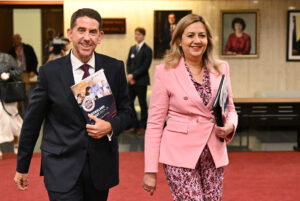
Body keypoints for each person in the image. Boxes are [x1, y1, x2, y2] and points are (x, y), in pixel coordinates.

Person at [14, 8, 132, 201]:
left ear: (100, 36)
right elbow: (32, 122)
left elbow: (127, 112)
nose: (87, 37)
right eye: (81, 30)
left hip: (100, 167)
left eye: (93, 32)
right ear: (70, 33)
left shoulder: (114, 68)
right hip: (61, 166)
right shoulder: (49, 72)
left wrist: (110, 126)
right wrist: (22, 166)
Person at [143, 14, 238, 200]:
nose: (197, 41)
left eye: (202, 35)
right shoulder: (165, 72)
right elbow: (155, 124)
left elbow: (231, 109)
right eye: (190, 35)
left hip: (213, 155)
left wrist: (230, 126)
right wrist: (150, 170)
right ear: (179, 40)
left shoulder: (221, 68)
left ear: (208, 40)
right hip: (178, 154)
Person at [126, 27, 152, 135]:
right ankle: (134, 125)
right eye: (135, 34)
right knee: (129, 103)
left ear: (143, 36)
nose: (136, 36)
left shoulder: (147, 49)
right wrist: (129, 75)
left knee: (142, 104)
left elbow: (145, 66)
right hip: (131, 82)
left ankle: (143, 126)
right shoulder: (132, 48)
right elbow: (128, 63)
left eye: (138, 34)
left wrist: (133, 76)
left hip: (141, 82)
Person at [0, 53, 23, 159]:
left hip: (8, 93)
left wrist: (8, 74)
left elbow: (18, 72)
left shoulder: (6, 57)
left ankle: (17, 144)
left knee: (13, 118)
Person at [8, 34, 38, 105]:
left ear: (20, 39)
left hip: (25, 73)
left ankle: (27, 109)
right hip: (15, 73)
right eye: (14, 39)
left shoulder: (28, 48)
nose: (16, 40)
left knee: (26, 92)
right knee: (16, 92)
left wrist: (33, 71)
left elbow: (35, 60)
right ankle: (18, 110)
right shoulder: (11, 51)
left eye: (17, 39)